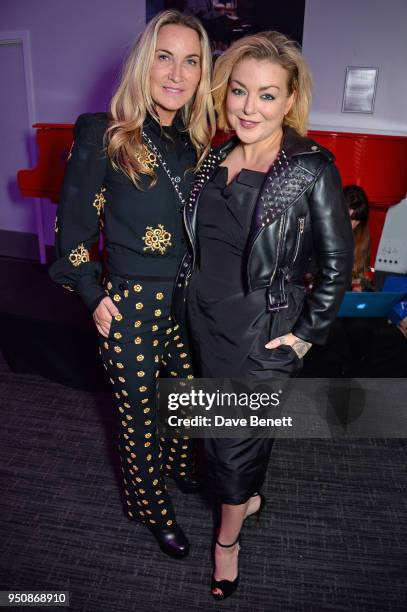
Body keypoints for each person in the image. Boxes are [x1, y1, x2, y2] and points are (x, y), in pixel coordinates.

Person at [172, 30, 353, 598]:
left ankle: (226, 542)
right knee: (231, 435)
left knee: (229, 442)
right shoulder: (213, 157)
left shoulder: (309, 168)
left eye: (268, 95)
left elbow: (336, 264)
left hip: (264, 332)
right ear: (224, 92)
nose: (250, 108)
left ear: (291, 98)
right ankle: (246, 497)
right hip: (207, 321)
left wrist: (305, 336)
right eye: (240, 92)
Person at [49, 9, 215, 558]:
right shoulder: (103, 133)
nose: (176, 73)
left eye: (190, 61)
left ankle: (177, 469)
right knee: (139, 417)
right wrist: (93, 296)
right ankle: (149, 506)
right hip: (130, 305)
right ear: (145, 64)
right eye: (164, 57)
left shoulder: (194, 146)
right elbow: (72, 229)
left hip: (182, 301)